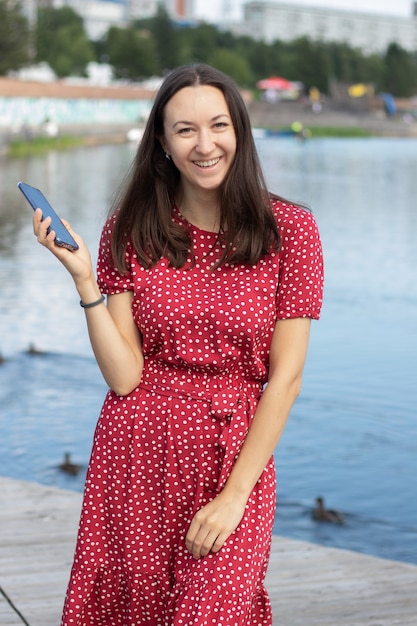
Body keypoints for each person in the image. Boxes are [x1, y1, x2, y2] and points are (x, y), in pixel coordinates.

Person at [33, 63, 324, 625]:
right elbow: (124, 378)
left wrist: (237, 494)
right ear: (162, 143)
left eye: (218, 125)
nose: (205, 144)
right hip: (136, 453)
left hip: (233, 456)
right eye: (184, 130)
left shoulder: (290, 231)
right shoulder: (130, 227)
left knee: (210, 612)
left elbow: (285, 377)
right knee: (130, 612)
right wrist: (85, 280)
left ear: (239, 131)